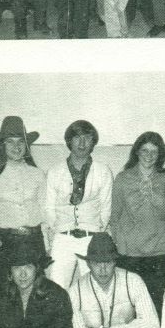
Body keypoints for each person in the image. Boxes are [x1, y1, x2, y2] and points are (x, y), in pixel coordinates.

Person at [111, 132, 165, 318]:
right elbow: (114, 215)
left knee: (154, 302)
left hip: (159, 252)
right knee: (127, 304)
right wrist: (121, 242)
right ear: (136, 152)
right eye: (144, 150)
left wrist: (163, 238)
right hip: (128, 253)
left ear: (160, 155)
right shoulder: (123, 178)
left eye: (154, 151)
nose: (149, 155)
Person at [0, 116, 47, 289]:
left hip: (34, 240)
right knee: (6, 294)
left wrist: (46, 244)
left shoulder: (37, 174)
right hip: (6, 242)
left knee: (36, 294)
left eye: (21, 141)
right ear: (2, 145)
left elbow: (44, 209)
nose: (16, 147)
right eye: (10, 141)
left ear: (26, 145)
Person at [45, 120, 113, 289]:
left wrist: (93, 230)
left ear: (93, 142)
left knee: (93, 289)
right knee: (57, 288)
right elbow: (49, 208)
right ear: (69, 141)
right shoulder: (55, 171)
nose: (82, 143)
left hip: (92, 238)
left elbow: (106, 208)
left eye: (87, 138)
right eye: (77, 138)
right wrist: (60, 230)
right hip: (62, 238)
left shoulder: (103, 171)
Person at [0, 235, 73, 328]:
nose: (23, 274)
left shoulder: (57, 296)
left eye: (28, 267)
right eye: (17, 268)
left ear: (37, 269)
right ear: (10, 272)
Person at [70, 232, 159, 328]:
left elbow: (153, 324)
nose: (103, 270)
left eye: (107, 262)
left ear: (115, 262)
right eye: (97, 263)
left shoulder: (133, 281)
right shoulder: (75, 291)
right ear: (88, 264)